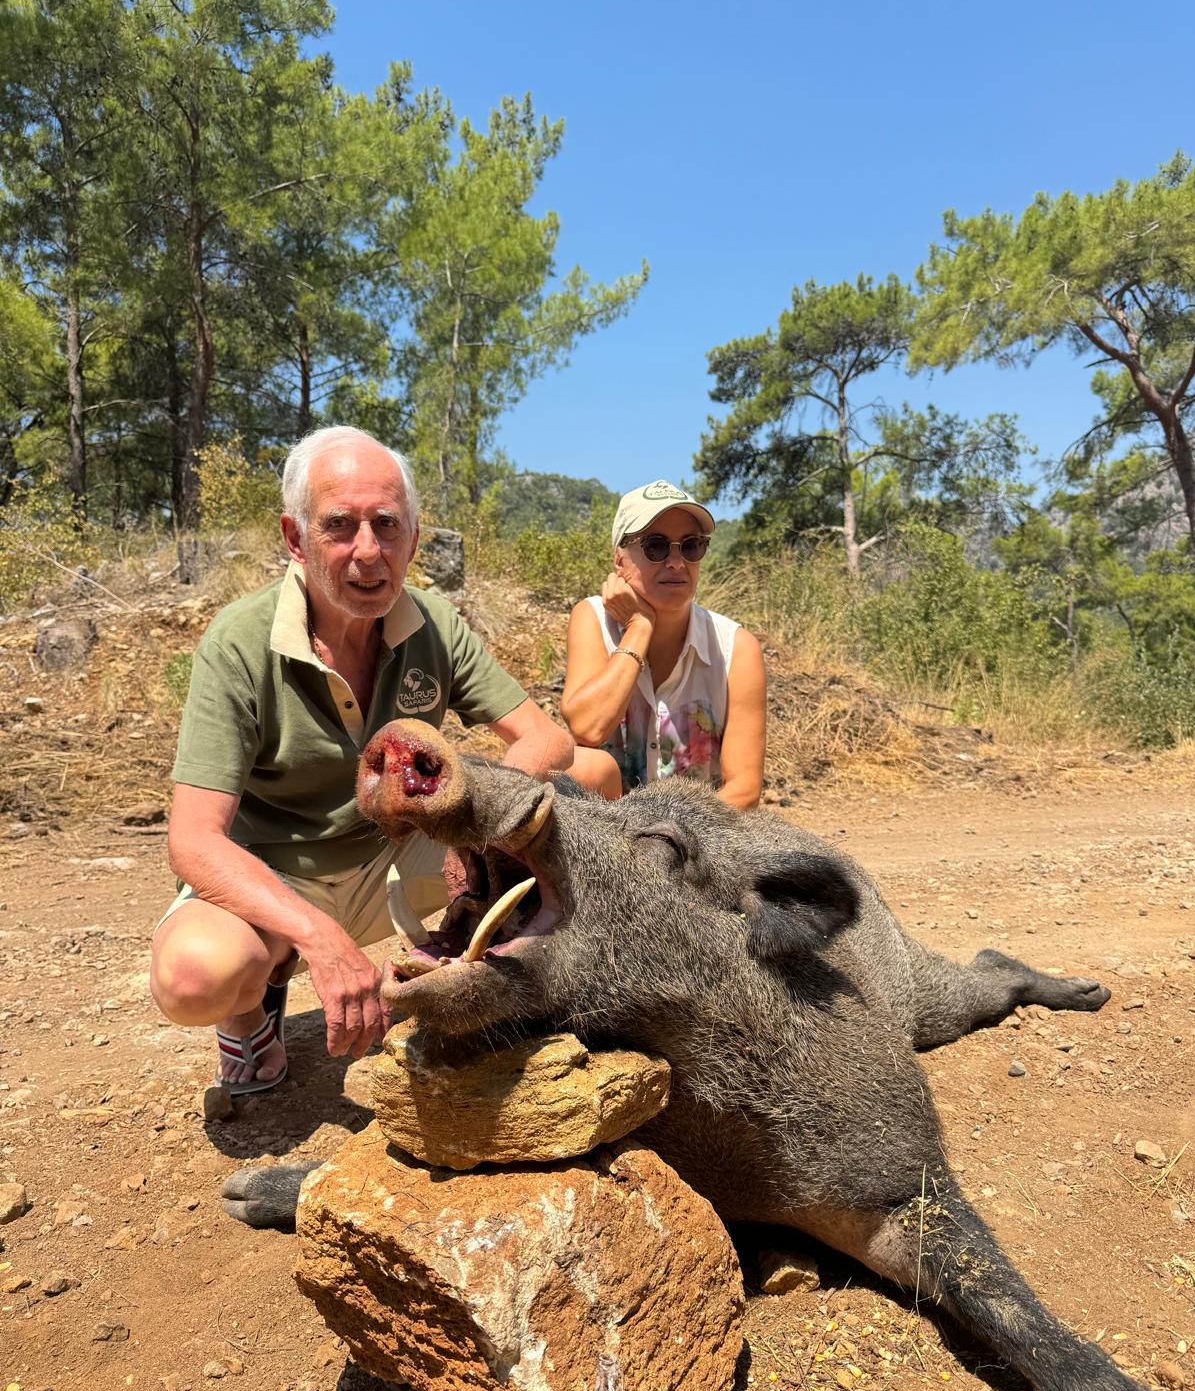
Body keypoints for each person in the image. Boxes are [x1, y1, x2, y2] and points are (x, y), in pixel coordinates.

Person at [150, 425, 574, 1112]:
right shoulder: (239, 642)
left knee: (590, 786)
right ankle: (254, 1005)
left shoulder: (434, 625)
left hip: (396, 858)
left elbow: (545, 741)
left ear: (413, 537)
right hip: (277, 876)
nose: (368, 552)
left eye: (387, 524)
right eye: (339, 526)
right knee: (197, 975)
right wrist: (322, 941)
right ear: (295, 538)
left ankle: (489, 979)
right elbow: (194, 839)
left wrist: (476, 830)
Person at [561, 480, 766, 808]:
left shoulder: (736, 649)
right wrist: (639, 629)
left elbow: (744, 789)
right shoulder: (593, 619)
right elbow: (587, 728)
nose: (676, 561)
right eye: (655, 546)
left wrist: (667, 837)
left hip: (695, 842)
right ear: (619, 560)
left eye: (691, 545)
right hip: (605, 840)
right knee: (586, 767)